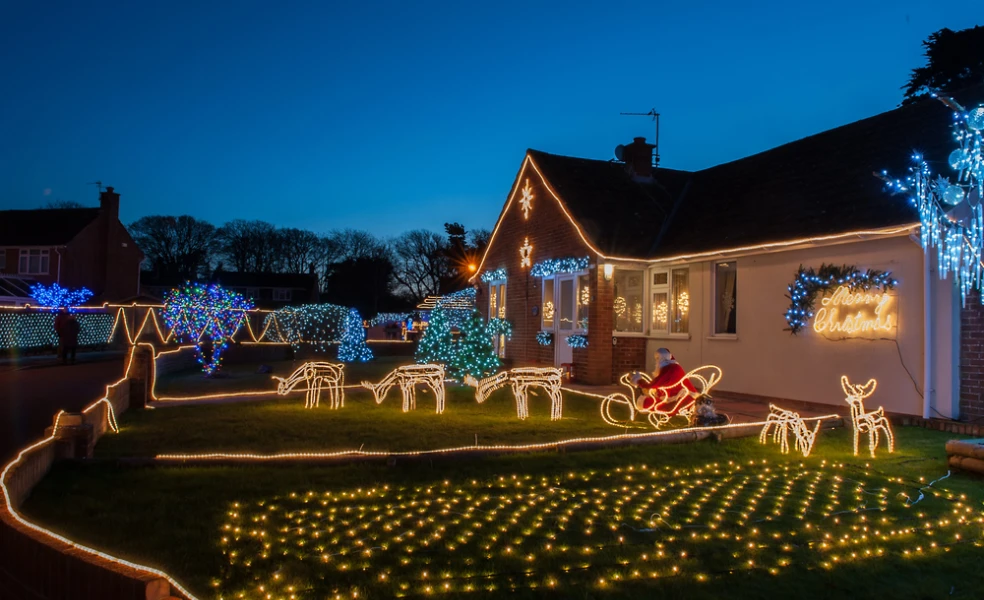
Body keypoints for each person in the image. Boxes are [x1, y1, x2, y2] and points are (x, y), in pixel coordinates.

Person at [631, 348, 697, 415]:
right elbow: (659, 383)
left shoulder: (670, 368)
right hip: (680, 399)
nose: (657, 361)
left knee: (645, 402)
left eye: (658, 358)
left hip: (682, 400)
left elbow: (656, 384)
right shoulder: (671, 367)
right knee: (646, 400)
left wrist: (639, 381)